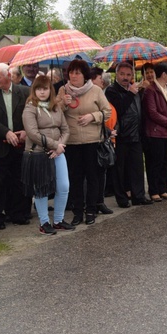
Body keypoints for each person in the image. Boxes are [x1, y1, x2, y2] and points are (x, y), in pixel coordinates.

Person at [57, 59, 112, 225]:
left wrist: (92, 116)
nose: (73, 76)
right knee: (76, 178)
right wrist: (63, 104)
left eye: (77, 73)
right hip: (72, 141)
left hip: (92, 140)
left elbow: (107, 112)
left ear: (84, 75)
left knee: (92, 176)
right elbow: (55, 114)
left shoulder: (95, 90)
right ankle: (77, 212)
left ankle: (91, 210)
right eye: (71, 72)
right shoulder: (63, 90)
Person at [22, 75, 73, 234]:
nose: (42, 92)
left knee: (64, 186)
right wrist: (55, 144)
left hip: (57, 152)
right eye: (38, 89)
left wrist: (60, 146)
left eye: (45, 88)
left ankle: (58, 219)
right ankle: (44, 222)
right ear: (34, 90)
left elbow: (65, 129)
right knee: (42, 189)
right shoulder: (30, 108)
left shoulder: (56, 107)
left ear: (50, 90)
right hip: (38, 153)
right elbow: (32, 133)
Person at [0, 63, 31, 229]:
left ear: (8, 76)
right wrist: (5, 132)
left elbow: (33, 114)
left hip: (20, 144)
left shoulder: (25, 92)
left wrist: (26, 131)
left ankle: (18, 214)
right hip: (1, 146)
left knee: (19, 180)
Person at [105, 61, 151, 207]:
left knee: (137, 167)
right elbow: (120, 108)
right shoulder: (111, 90)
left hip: (136, 134)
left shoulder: (135, 90)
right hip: (121, 135)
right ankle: (122, 198)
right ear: (116, 74)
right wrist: (131, 93)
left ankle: (139, 196)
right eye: (122, 74)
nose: (125, 77)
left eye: (129, 74)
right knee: (119, 170)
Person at [142, 62, 167, 202]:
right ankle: (154, 190)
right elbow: (152, 112)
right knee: (155, 162)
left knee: (165, 161)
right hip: (156, 132)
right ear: (164, 74)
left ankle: (163, 188)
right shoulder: (151, 90)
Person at [90, 67, 116, 214]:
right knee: (92, 173)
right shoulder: (87, 94)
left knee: (102, 171)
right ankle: (92, 203)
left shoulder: (100, 93)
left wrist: (109, 131)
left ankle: (100, 202)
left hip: (102, 137)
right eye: (100, 77)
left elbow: (106, 114)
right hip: (89, 138)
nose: (103, 80)